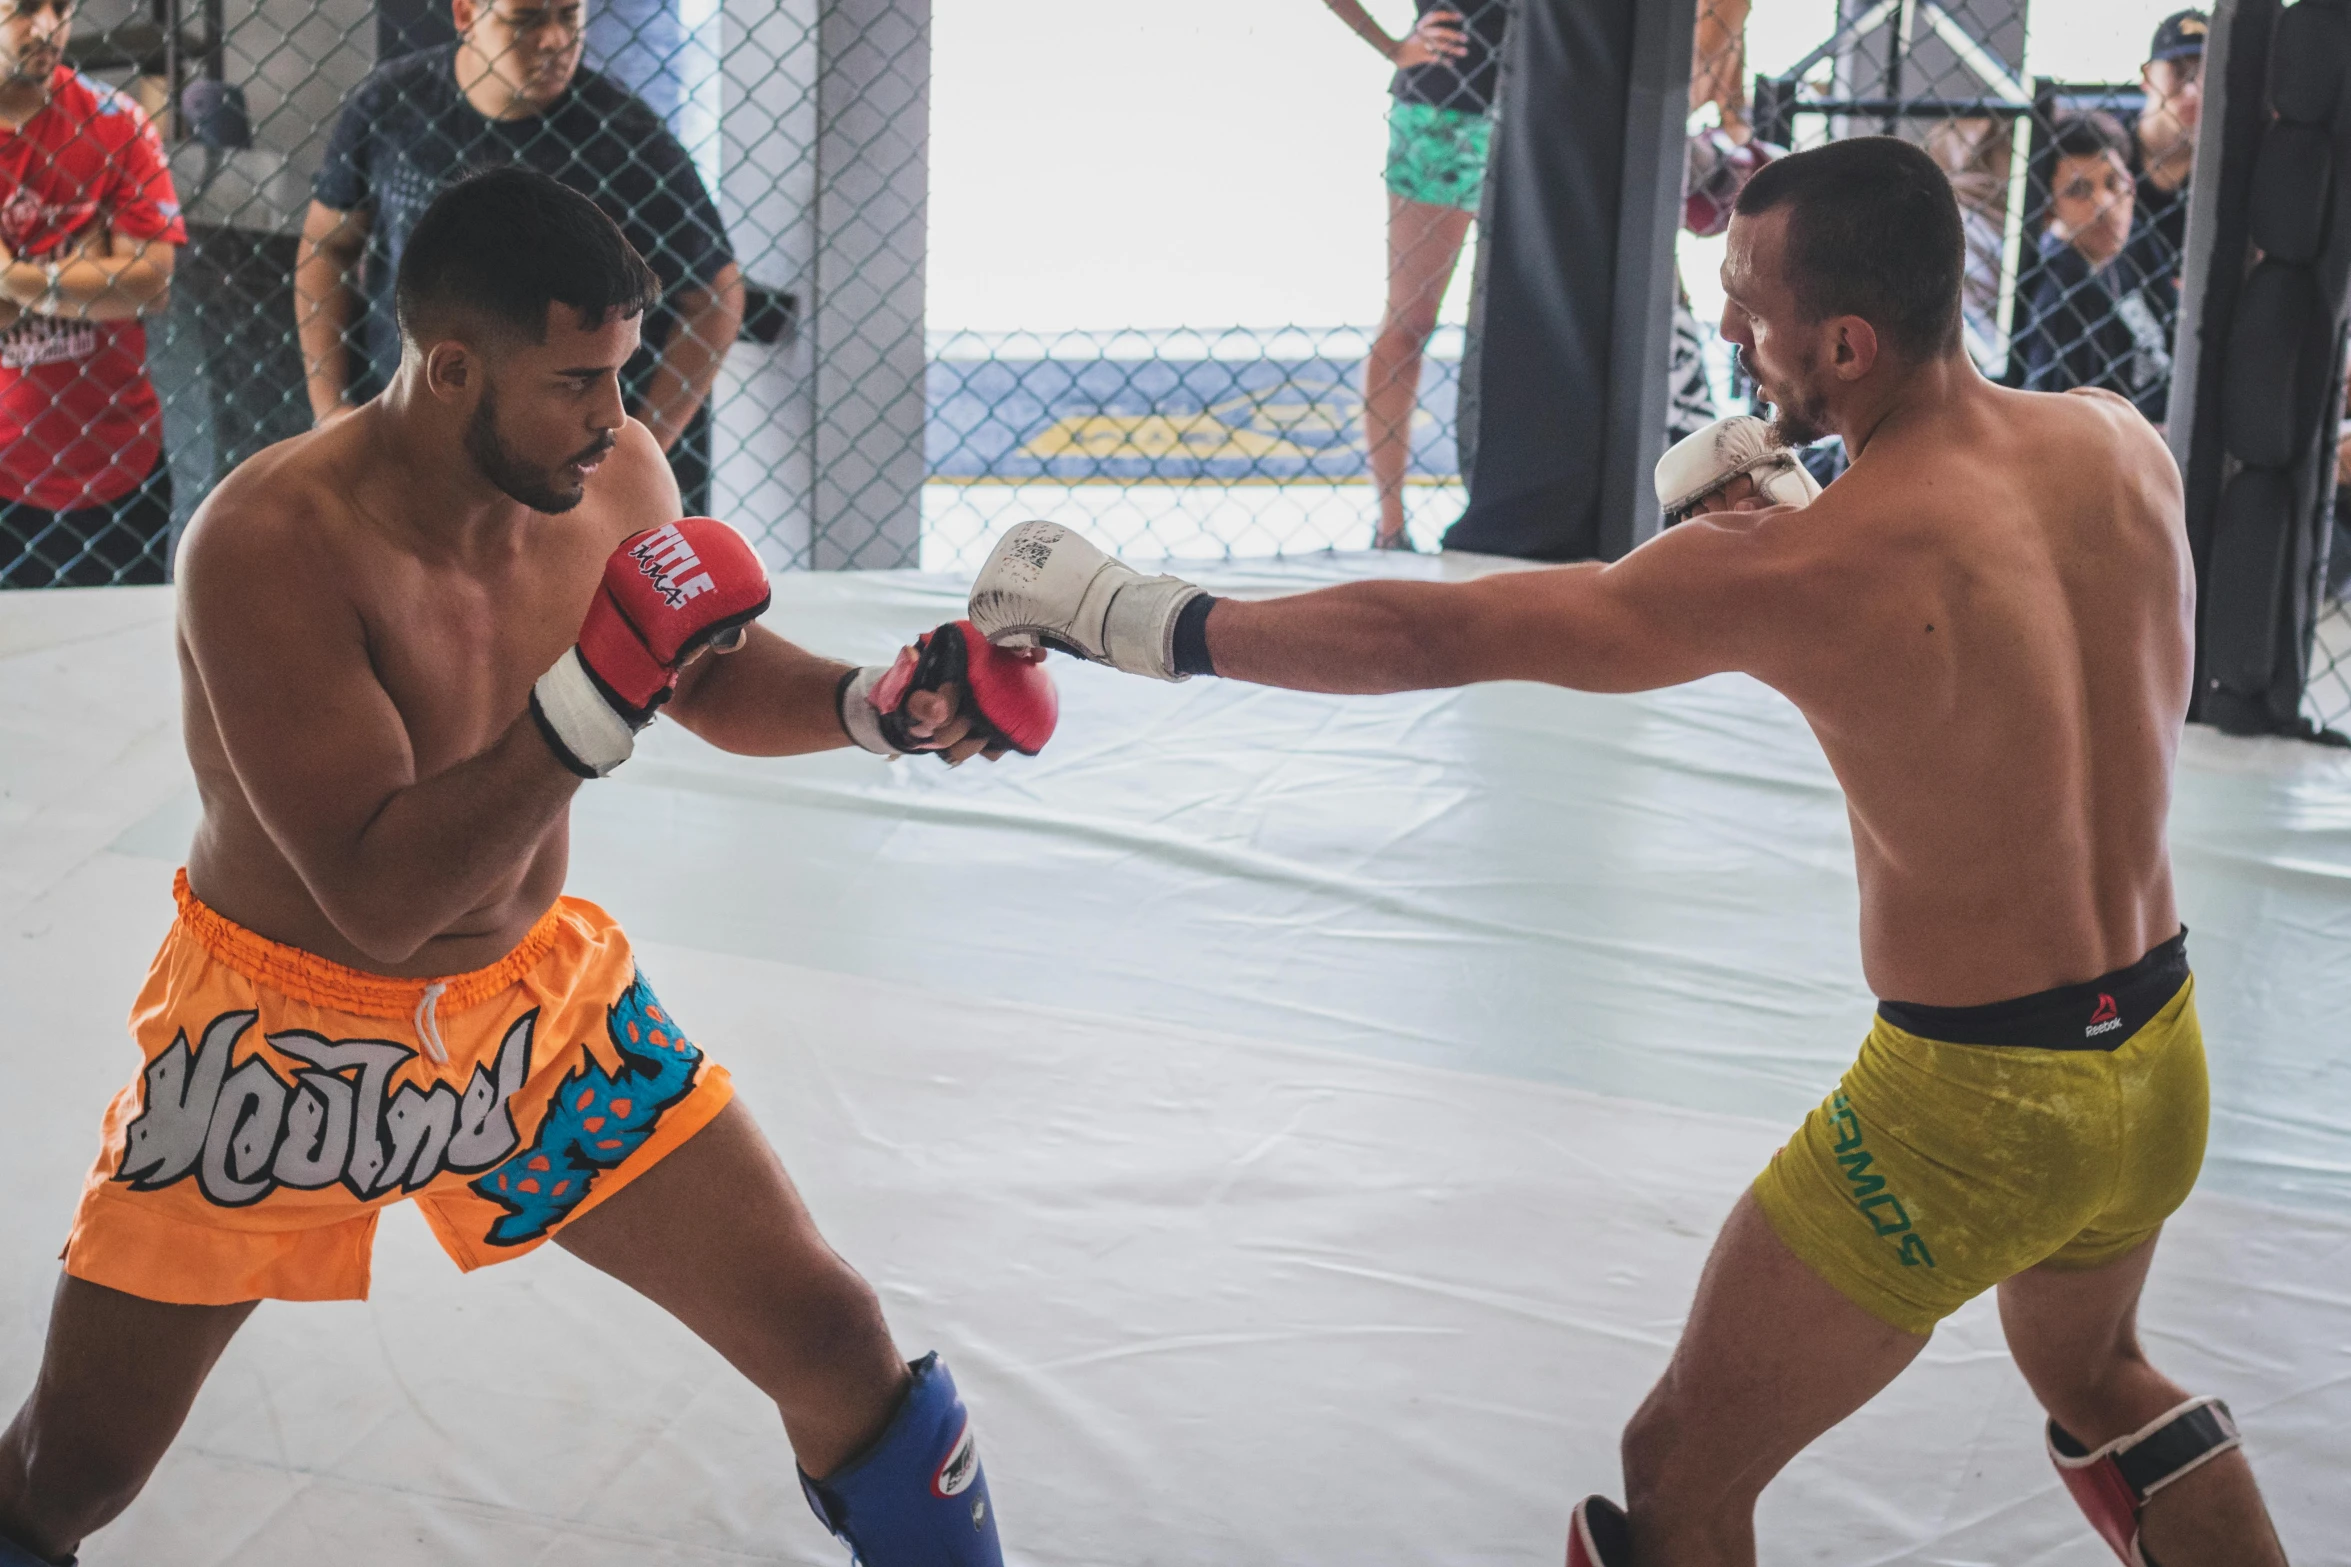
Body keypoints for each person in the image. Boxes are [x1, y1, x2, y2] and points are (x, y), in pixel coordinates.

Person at [962, 137, 2293, 1567]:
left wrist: (1137, 615)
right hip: (2154, 1056)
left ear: (1841, 340)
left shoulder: (1797, 568)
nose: (1725, 330)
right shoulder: (2116, 439)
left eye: (1745, 301)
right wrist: (1815, 525)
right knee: (2100, 1380)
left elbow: (1436, 633)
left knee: (1674, 1474)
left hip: (1968, 1113)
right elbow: (2010, 663)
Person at [0, 168, 1052, 1567]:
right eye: (575, 380)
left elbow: (706, 673)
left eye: (620, 372)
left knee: (832, 1334)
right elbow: (375, 894)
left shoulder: (607, 472)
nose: (617, 415)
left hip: (533, 1017)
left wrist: (877, 703)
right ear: (448, 369)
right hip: (278, 1041)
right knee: (71, 1469)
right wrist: (595, 695)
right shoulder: (266, 545)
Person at [296, 0, 743, 514]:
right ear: (466, 15)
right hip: (414, 436)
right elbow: (327, 246)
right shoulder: (392, 103)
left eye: (569, 16)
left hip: (562, 464)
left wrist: (638, 451)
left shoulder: (625, 135)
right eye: (527, 18)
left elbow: (717, 296)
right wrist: (331, 410)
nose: (554, 40)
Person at [0, 0, 183, 588]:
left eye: (61, 7)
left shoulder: (115, 119)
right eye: (25, 8)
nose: (48, 26)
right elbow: (120, 282)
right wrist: (84, 268)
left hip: (117, 469)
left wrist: (14, 277)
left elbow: (150, 282)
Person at [1321, 0, 1509, 550]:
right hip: (1445, 114)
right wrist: (1393, 47)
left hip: (1550, 119)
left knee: (1531, 322)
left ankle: (1524, 517)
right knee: (1410, 321)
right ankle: (1391, 526)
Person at [2018, 113, 2173, 424]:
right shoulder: (2059, 296)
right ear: (2050, 210)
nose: (2104, 204)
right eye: (2078, 190)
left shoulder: (2136, 244)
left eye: (2113, 183)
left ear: (2132, 186)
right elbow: (2064, 429)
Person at [2121, 7, 2206, 407]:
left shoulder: (2228, 171)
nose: (2192, 90)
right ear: (2146, 76)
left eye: (2204, 73)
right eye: (2179, 71)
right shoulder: (2106, 151)